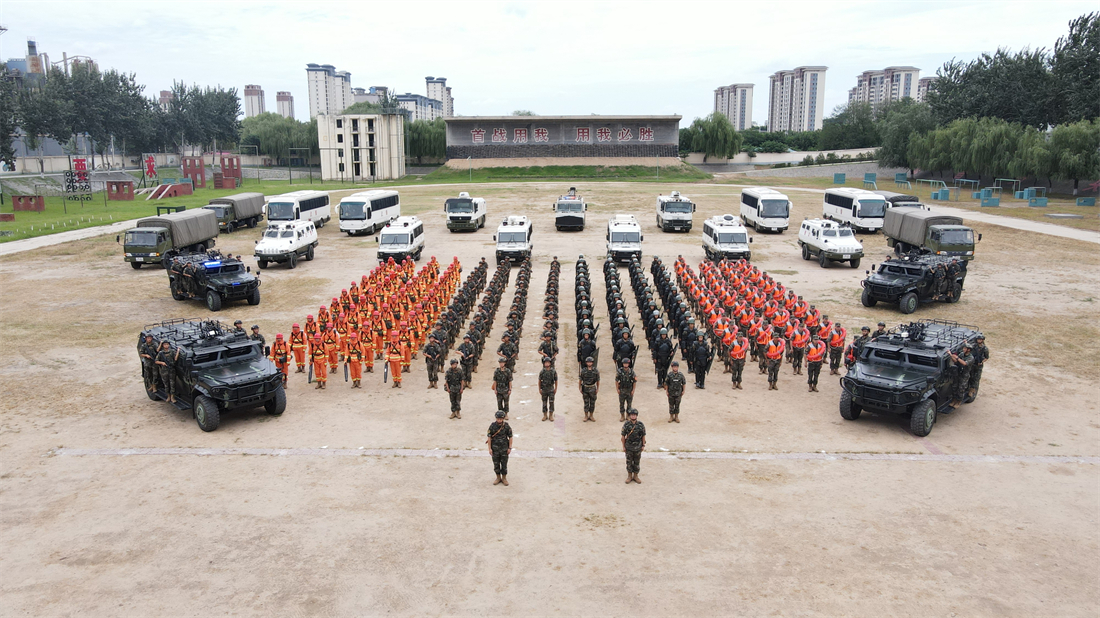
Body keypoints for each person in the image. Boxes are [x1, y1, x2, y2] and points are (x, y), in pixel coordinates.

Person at [486, 410, 513, 486]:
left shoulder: (506, 426)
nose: (499, 420)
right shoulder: (492, 426)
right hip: (495, 448)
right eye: (498, 419)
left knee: (504, 464)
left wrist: (510, 447)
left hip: (504, 448)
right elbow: (489, 437)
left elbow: (510, 437)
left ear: (503, 418)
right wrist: (489, 449)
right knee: (496, 464)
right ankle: (498, 477)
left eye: (501, 419)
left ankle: (504, 478)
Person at [621, 408, 646, 484]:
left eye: (634, 415)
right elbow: (622, 436)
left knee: (636, 462)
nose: (633, 416)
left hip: (638, 447)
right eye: (632, 415)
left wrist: (643, 445)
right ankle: (629, 476)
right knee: (629, 462)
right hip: (629, 447)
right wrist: (623, 446)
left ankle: (635, 476)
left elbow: (643, 436)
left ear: (636, 416)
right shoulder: (626, 424)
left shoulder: (640, 425)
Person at [947, 343, 973, 409]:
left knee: (961, 389)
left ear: (968, 350)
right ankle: (954, 400)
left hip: (964, 375)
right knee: (955, 387)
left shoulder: (971, 357)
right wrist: (950, 355)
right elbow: (956, 361)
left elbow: (964, 363)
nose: (963, 349)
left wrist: (957, 358)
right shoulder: (961, 354)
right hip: (958, 373)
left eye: (965, 348)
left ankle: (959, 401)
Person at [578, 356, 600, 422]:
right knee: (586, 402)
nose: (589, 363)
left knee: (592, 402)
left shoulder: (595, 371)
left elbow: (598, 380)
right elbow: (580, 379)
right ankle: (586, 415)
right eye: (588, 362)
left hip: (592, 388)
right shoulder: (583, 370)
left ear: (592, 363)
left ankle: (591, 415)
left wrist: (597, 388)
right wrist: (579, 387)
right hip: (585, 388)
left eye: (590, 362)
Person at [969, 334, 989, 398]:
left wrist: (981, 362)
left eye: (980, 339)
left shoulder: (985, 348)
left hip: (978, 365)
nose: (979, 341)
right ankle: (969, 388)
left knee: (976, 379)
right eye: (978, 339)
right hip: (973, 364)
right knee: (971, 376)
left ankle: (973, 391)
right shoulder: (974, 346)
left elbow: (986, 357)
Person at [538, 356, 558, 421]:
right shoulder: (542, 371)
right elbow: (539, 380)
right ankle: (545, 415)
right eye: (545, 362)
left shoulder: (553, 371)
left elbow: (556, 380)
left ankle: (551, 415)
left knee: (551, 402)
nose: (547, 364)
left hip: (551, 389)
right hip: (544, 389)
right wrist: (539, 389)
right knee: (544, 402)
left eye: (548, 362)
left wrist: (555, 388)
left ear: (550, 363)